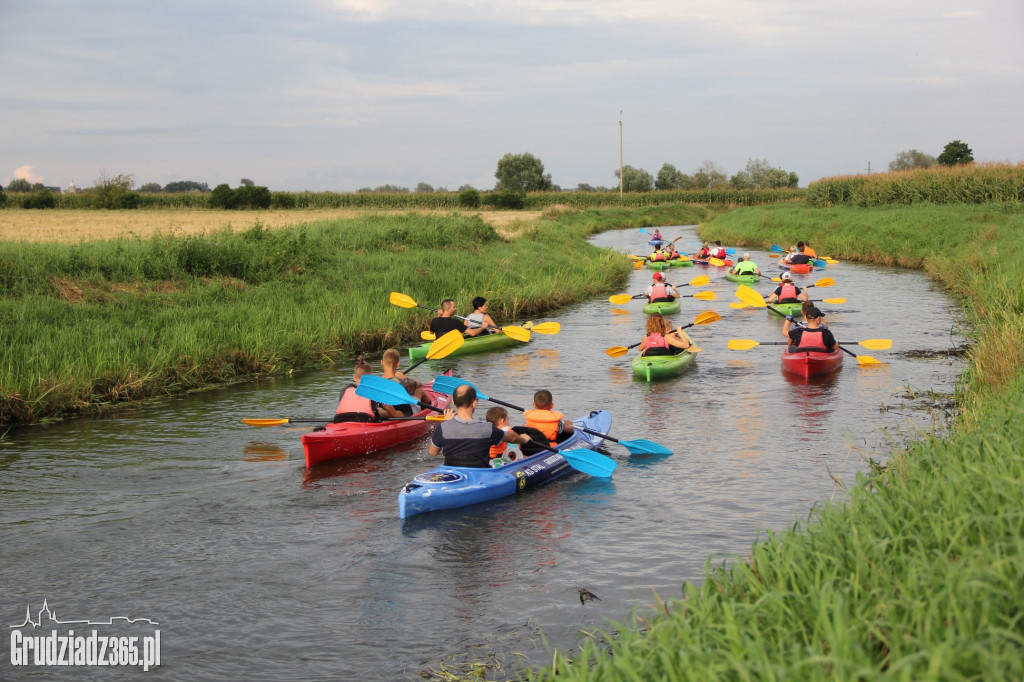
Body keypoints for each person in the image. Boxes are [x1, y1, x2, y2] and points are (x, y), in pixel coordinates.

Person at [429, 385, 534, 468]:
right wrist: (523, 439)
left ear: (454, 402)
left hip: (454, 473)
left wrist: (447, 422)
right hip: (480, 474)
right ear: (474, 403)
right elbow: (512, 437)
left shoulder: (443, 427)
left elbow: (433, 453)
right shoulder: (487, 428)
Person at [333, 357, 402, 422]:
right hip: (366, 421)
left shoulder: (345, 391)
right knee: (399, 413)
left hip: (341, 420)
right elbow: (394, 414)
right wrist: (384, 412)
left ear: (354, 377)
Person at [381, 348, 426, 413]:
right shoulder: (403, 382)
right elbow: (420, 384)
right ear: (398, 364)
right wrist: (403, 377)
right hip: (405, 413)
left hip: (386, 411)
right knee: (419, 390)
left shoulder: (377, 382)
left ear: (382, 362)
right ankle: (429, 408)